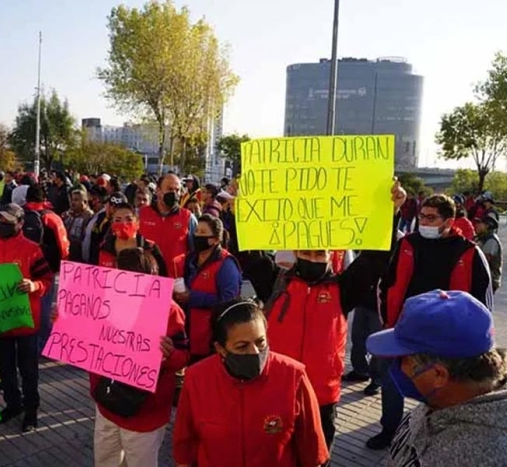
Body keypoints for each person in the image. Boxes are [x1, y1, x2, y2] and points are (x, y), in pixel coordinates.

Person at [266, 180, 405, 456]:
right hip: (277, 390)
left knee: (317, 456)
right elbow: (250, 257)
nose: (313, 258)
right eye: (306, 252)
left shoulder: (343, 288)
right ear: (295, 253)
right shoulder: (276, 283)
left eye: (320, 253)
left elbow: (376, 259)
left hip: (322, 395)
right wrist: (238, 211)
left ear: (331, 256)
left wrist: (391, 214)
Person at [368, 193, 493, 450]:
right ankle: (389, 429)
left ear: (449, 220)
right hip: (403, 331)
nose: (424, 222)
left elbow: (483, 303)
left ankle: (440, 434)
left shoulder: (469, 252)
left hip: (448, 341)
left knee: (442, 389)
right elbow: (386, 284)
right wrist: (388, 322)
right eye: (421, 216)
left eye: (431, 218)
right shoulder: (407, 244)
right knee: (393, 381)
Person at [367, 290, 507, 467]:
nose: (397, 366)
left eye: (403, 359)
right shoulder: (441, 400)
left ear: (439, 375)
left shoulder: (504, 457)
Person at [173, 299, 329, 467]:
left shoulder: (294, 376)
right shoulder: (197, 378)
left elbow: (312, 448)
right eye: (242, 346)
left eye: (260, 342)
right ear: (220, 349)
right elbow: (184, 446)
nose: (254, 352)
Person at [91, 248, 189, 467]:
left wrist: (169, 354)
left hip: (145, 412)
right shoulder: (102, 302)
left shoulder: (169, 311)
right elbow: (86, 339)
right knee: (105, 460)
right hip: (106, 403)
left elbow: (183, 357)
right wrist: (64, 320)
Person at [0, 204, 53, 432]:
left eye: (9, 220)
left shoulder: (32, 249)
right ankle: (13, 404)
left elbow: (47, 280)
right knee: (5, 368)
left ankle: (31, 410)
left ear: (20, 224)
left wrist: (34, 285)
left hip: (25, 321)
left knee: (28, 370)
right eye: (1, 219)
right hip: (0, 322)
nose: (3, 224)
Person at [173, 214, 241, 362]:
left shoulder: (226, 264)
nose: (197, 236)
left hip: (211, 340)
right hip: (190, 334)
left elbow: (229, 301)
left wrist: (193, 297)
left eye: (203, 233)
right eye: (196, 231)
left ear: (215, 239)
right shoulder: (190, 259)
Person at [22, 184, 69, 353]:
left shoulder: (20, 215)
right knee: (44, 306)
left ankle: (26, 341)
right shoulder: (52, 217)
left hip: (22, 267)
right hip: (46, 268)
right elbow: (63, 246)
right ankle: (43, 344)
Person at [139, 174, 197, 278]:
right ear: (158, 190)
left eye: (177, 190)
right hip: (145, 278)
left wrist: (189, 281)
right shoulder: (142, 215)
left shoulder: (188, 218)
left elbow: (195, 253)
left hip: (175, 282)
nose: (174, 193)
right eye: (169, 189)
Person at [98, 202, 167, 276]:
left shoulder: (150, 248)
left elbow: (163, 277)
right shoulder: (104, 249)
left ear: (137, 223)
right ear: (112, 225)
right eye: (118, 220)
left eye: (129, 219)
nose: (124, 224)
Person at [64, 189, 94, 262]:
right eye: (72, 200)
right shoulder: (69, 214)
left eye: (76, 200)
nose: (73, 203)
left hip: (80, 258)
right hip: (68, 254)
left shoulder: (89, 217)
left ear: (85, 202)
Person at [475, 212, 502, 293]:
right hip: (481, 277)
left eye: (480, 224)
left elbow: (483, 260)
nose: (477, 225)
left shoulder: (491, 240)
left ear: (487, 226)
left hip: (488, 280)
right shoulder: (480, 237)